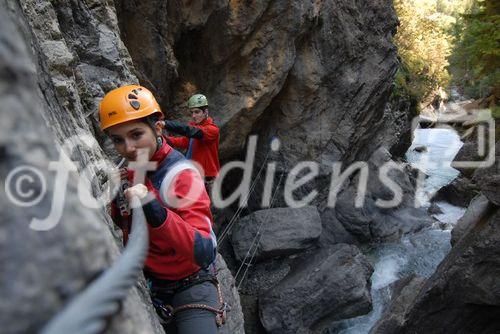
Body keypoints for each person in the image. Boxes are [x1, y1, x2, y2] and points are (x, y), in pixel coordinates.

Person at [99, 85, 225, 333]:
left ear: (157, 127)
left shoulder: (183, 176)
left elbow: (204, 250)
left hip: (190, 286)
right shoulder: (135, 169)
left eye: (136, 135)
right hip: (151, 283)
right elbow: (126, 223)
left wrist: (154, 208)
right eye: (117, 139)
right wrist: (115, 196)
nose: (128, 147)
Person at [164, 94, 220, 194]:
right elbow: (185, 142)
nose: (194, 116)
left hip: (207, 178)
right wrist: (165, 139)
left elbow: (192, 132)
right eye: (192, 112)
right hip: (193, 173)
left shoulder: (212, 130)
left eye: (197, 112)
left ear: (206, 111)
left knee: (207, 208)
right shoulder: (193, 126)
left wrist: (166, 124)